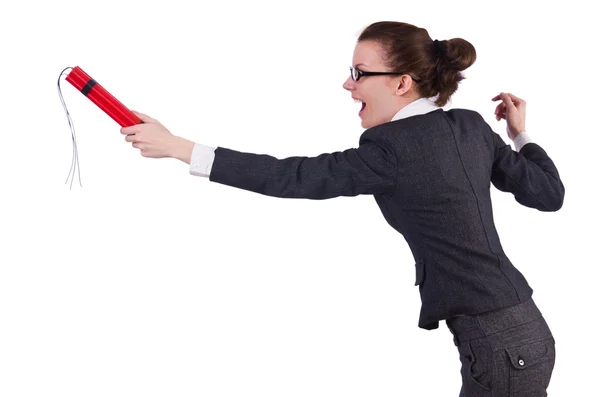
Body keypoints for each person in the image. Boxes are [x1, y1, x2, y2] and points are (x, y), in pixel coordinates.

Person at [120, 21, 565, 397]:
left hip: (497, 347)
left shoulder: (389, 150)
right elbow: (549, 194)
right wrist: (519, 135)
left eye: (358, 72)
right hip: (524, 330)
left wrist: (180, 148)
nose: (348, 84)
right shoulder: (468, 124)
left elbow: (292, 176)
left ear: (401, 82)